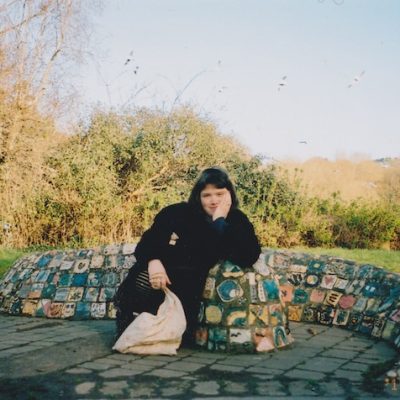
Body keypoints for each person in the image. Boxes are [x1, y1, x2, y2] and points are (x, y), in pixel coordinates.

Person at [114, 167, 261, 344]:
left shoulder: (237, 220)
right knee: (143, 278)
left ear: (229, 195)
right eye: (207, 195)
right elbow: (148, 241)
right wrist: (153, 261)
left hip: (192, 289)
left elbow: (249, 254)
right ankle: (130, 322)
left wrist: (220, 221)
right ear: (198, 196)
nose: (214, 200)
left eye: (219, 194)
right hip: (163, 278)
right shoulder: (177, 213)